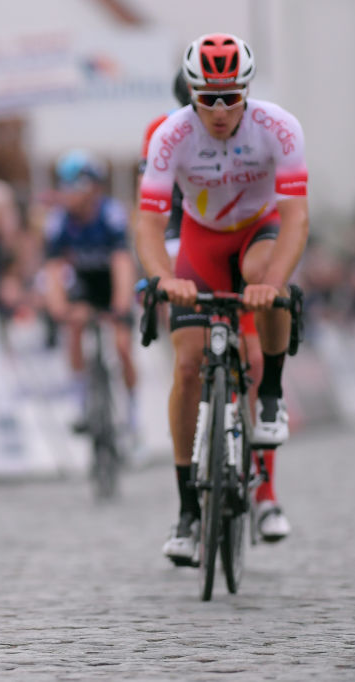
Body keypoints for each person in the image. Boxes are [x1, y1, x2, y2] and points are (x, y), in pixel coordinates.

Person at [135, 33, 308, 565]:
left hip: (258, 232)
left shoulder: (278, 127)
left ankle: (272, 396)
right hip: (200, 244)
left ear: (247, 91)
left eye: (230, 96)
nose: (218, 108)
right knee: (187, 367)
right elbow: (147, 222)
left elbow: (297, 216)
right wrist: (163, 278)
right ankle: (189, 512)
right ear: (190, 91)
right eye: (206, 96)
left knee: (264, 287)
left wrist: (275, 281)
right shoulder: (170, 135)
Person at [43, 150, 138, 432]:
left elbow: (122, 261)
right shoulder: (58, 220)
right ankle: (82, 402)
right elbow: (53, 267)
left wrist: (121, 304)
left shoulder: (111, 213)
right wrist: (58, 306)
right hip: (84, 283)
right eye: (64, 185)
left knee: (122, 345)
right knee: (74, 328)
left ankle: (133, 413)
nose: (68, 193)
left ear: (94, 188)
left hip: (113, 281)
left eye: (76, 185)